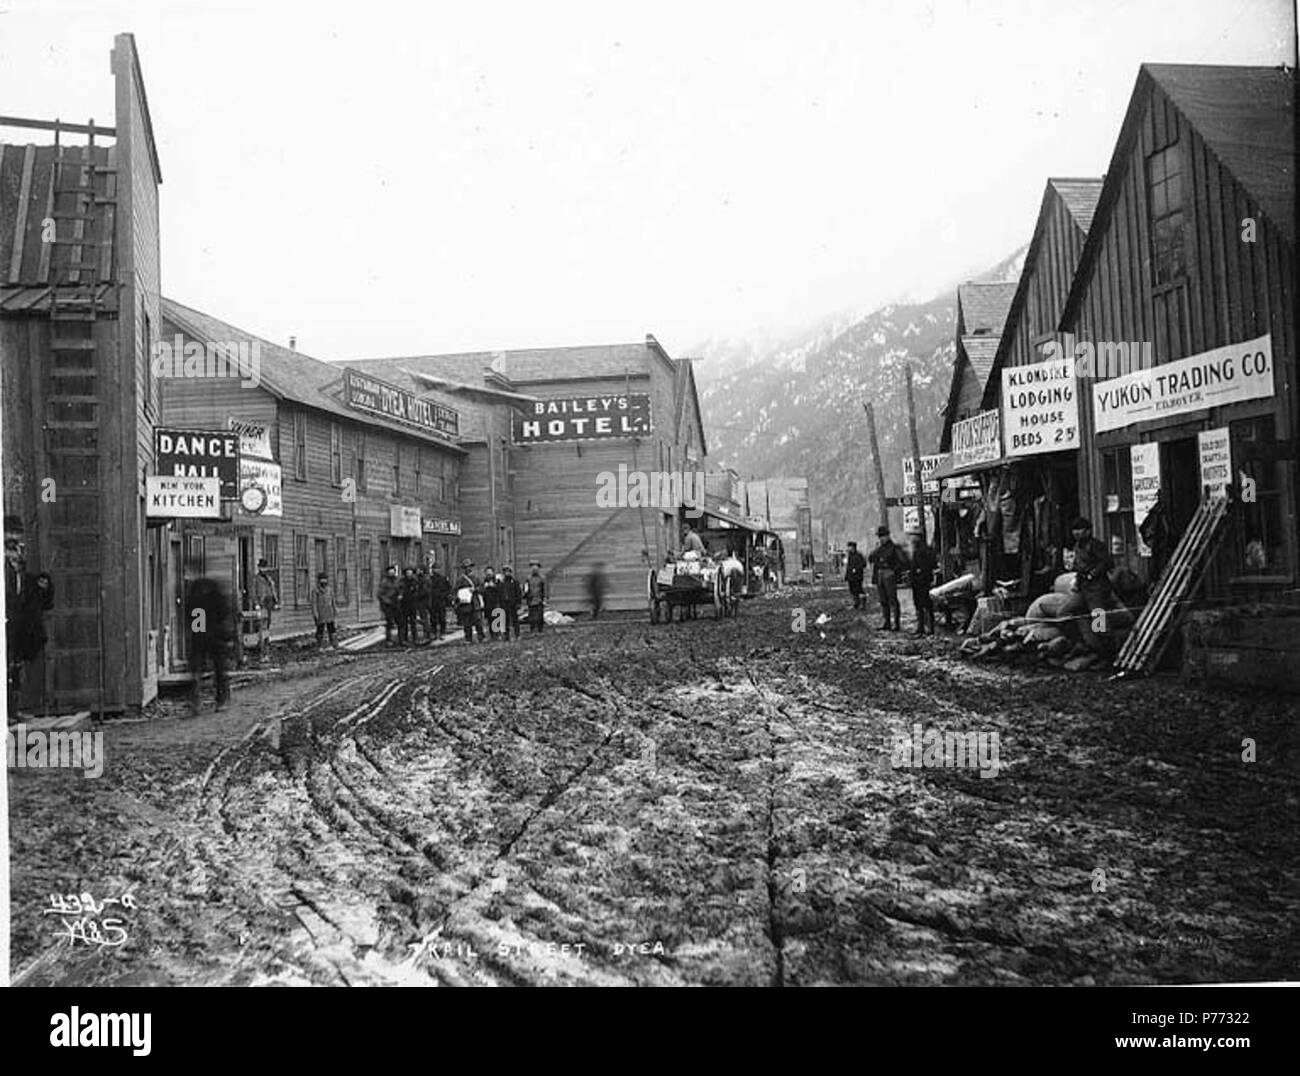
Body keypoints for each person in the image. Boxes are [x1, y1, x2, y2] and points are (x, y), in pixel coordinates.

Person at [1061, 516, 1117, 654]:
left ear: (1088, 531)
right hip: (1083, 588)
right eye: (1074, 530)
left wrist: (1093, 573)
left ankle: (1107, 654)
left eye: (1080, 530)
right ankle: (1086, 644)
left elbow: (1107, 562)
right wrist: (1077, 581)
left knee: (1100, 624)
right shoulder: (1077, 547)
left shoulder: (1095, 545)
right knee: (1064, 612)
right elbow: (1079, 567)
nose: (1076, 533)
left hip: (1097, 589)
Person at [187, 575, 233, 713]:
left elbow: (192, 616)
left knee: (201, 669)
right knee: (217, 669)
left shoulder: (196, 596)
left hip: (204, 635)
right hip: (213, 635)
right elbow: (224, 614)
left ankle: (198, 700)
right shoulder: (215, 595)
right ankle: (219, 699)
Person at [868, 525, 903, 631]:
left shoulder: (894, 548)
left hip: (889, 573)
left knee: (892, 599)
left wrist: (894, 571)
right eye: (880, 536)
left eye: (883, 536)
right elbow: (871, 558)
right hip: (880, 574)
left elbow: (901, 562)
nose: (881, 538)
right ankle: (887, 622)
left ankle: (896, 623)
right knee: (883, 600)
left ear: (888, 536)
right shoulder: (879, 549)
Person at [908, 535, 938, 636]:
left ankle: (927, 627)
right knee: (920, 605)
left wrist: (919, 572)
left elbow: (928, 566)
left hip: (922, 582)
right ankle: (922, 627)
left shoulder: (924, 552)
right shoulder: (921, 551)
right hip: (919, 582)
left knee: (925, 605)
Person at [252, 558, 279, 663]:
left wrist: (275, 601)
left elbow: (273, 591)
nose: (264, 569)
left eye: (265, 567)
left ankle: (266, 652)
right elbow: (253, 593)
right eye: (262, 567)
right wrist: (256, 604)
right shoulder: (256, 579)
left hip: (269, 605)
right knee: (262, 628)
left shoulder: (268, 578)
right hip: (261, 604)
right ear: (259, 568)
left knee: (267, 628)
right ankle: (261, 654)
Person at [455, 559, 485, 643]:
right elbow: (455, 590)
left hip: (475, 602)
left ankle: (480, 636)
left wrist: (475, 589)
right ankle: (468, 638)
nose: (467, 569)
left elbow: (482, 588)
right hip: (465, 603)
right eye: (465, 567)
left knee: (478, 621)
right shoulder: (460, 579)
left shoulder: (477, 578)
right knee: (466, 622)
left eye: (469, 567)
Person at [311, 571, 339, 649]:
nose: (324, 582)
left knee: (332, 629)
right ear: (319, 581)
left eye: (325, 580)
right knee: (320, 630)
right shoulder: (315, 591)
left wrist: (335, 609)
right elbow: (314, 603)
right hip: (321, 613)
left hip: (329, 612)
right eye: (322, 580)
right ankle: (319, 646)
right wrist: (315, 614)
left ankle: (334, 645)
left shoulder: (329, 590)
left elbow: (333, 601)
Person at [377, 564, 401, 646]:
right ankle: (389, 640)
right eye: (390, 572)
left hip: (396, 604)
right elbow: (380, 594)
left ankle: (400, 639)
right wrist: (387, 601)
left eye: (393, 572)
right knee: (389, 623)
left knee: (400, 622)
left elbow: (400, 589)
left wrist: (400, 595)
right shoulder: (384, 581)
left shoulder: (397, 580)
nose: (392, 573)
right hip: (388, 605)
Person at [398, 566, 421, 646]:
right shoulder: (402, 581)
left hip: (412, 604)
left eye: (410, 572)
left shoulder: (415, 581)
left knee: (413, 622)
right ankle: (403, 640)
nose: (409, 574)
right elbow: (400, 591)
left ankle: (415, 639)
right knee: (403, 623)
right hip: (404, 605)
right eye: (407, 573)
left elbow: (417, 591)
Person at [499, 565, 523, 640]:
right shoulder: (501, 583)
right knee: (505, 620)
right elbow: (499, 593)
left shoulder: (515, 582)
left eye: (508, 571)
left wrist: (518, 603)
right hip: (504, 604)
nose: (507, 573)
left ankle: (517, 634)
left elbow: (518, 593)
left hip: (513, 604)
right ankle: (506, 635)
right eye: (505, 571)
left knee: (515, 619)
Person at [429, 563, 450, 640]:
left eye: (437, 568)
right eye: (435, 568)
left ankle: (442, 632)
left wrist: (445, 596)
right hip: (433, 600)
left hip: (441, 600)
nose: (436, 570)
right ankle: (433, 632)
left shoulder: (443, 578)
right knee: (433, 617)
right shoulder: (430, 579)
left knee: (442, 617)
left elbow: (448, 589)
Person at [524, 559, 546, 633]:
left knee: (540, 615)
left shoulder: (542, 578)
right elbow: (526, 588)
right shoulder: (528, 578)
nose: (534, 569)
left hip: (539, 599)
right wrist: (525, 594)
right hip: (531, 599)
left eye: (536, 567)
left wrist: (545, 599)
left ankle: (540, 629)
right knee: (531, 615)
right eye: (533, 567)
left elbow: (545, 589)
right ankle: (532, 629)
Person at [845, 541, 867, 609]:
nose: (848, 548)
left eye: (849, 547)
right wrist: (847, 576)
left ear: (853, 547)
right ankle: (856, 603)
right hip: (851, 577)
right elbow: (849, 566)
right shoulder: (850, 556)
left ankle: (863, 603)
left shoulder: (859, 555)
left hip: (857, 576)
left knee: (859, 590)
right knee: (852, 590)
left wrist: (856, 569)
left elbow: (863, 564)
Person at [481, 566, 502, 640]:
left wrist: (494, 586)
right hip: (487, 604)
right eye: (487, 573)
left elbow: (501, 591)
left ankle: (498, 634)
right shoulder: (484, 582)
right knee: (490, 620)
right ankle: (492, 635)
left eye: (490, 572)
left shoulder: (497, 581)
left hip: (496, 602)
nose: (489, 574)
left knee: (497, 619)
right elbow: (481, 592)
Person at [414, 566, 433, 644]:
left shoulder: (425, 579)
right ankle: (424, 635)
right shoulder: (419, 579)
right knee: (422, 619)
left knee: (424, 619)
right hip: (420, 602)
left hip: (423, 602)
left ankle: (427, 636)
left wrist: (416, 594)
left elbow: (425, 591)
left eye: (419, 570)